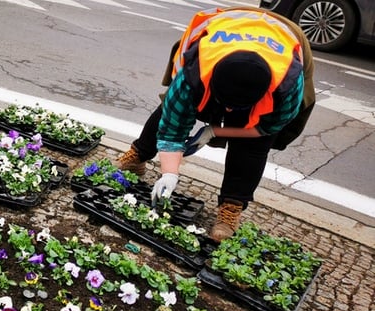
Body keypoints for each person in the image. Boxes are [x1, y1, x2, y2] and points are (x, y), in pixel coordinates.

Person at [113, 6, 315, 242]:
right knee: (167, 109)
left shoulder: (287, 88)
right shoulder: (193, 74)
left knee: (253, 147)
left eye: (235, 108)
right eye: (224, 104)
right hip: (222, 29)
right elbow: (173, 127)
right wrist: (170, 173)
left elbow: (264, 130)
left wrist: (215, 130)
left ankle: (232, 206)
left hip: (286, 38)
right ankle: (137, 156)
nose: (227, 111)